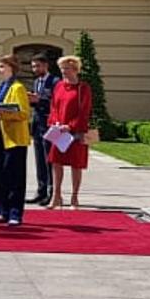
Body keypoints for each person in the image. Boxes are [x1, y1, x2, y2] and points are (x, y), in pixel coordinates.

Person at [0, 54, 32, 225]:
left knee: (14, 177)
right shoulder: (3, 86)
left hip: (15, 139)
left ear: (11, 67)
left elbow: (24, 113)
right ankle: (0, 211)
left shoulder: (17, 87)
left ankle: (14, 214)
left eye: (2, 67)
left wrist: (5, 113)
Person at [48, 55, 96, 210]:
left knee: (76, 164)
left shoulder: (83, 88)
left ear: (75, 70)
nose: (63, 72)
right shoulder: (59, 86)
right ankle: (56, 196)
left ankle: (74, 197)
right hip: (59, 130)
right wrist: (55, 122)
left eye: (67, 69)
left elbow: (84, 111)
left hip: (76, 132)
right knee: (56, 162)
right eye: (62, 69)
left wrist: (70, 126)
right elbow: (54, 107)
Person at [28, 53, 62, 205]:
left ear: (46, 66)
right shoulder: (36, 82)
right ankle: (40, 190)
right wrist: (31, 100)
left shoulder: (55, 82)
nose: (35, 69)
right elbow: (37, 102)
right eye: (33, 66)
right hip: (37, 124)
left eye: (38, 66)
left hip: (49, 125)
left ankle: (52, 192)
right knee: (39, 159)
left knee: (50, 159)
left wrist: (39, 99)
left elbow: (57, 103)